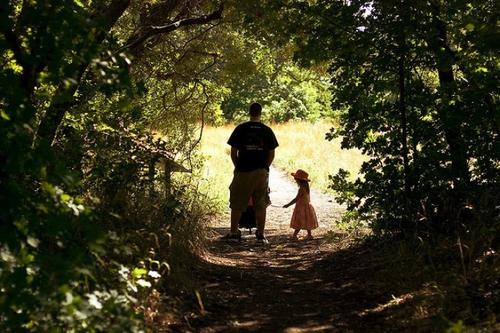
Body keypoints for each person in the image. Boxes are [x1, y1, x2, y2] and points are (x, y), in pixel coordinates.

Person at [224, 102, 279, 243]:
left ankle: (234, 232)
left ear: (249, 112)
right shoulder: (267, 130)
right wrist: (265, 168)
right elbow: (272, 154)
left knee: (237, 201)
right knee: (261, 203)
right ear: (261, 113)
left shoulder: (241, 128)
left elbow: (233, 152)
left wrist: (238, 167)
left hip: (243, 170)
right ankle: (260, 234)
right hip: (261, 171)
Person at [283, 169, 318, 240]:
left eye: (296, 179)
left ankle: (294, 236)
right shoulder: (306, 188)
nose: (295, 181)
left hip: (301, 207)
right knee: (307, 221)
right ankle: (309, 235)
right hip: (307, 207)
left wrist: (288, 204)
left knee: (299, 222)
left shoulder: (301, 189)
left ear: (299, 180)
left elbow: (296, 199)